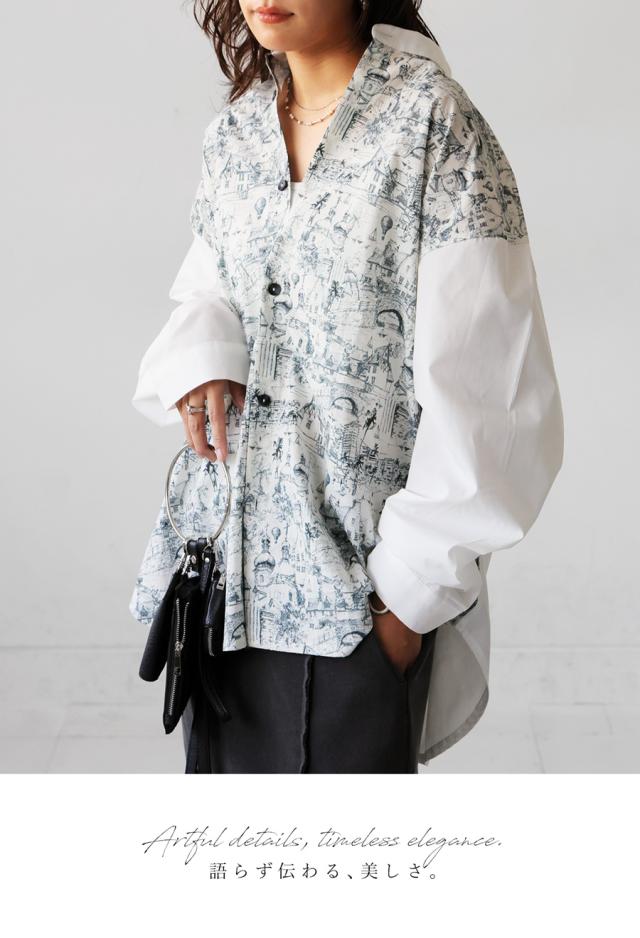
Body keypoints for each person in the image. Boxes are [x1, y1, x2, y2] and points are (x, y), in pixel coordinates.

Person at [129, 0, 564, 773]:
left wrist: (403, 605)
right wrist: (206, 353)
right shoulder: (236, 134)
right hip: (223, 582)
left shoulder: (431, 122)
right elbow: (207, 285)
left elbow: (494, 389)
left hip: (353, 599)